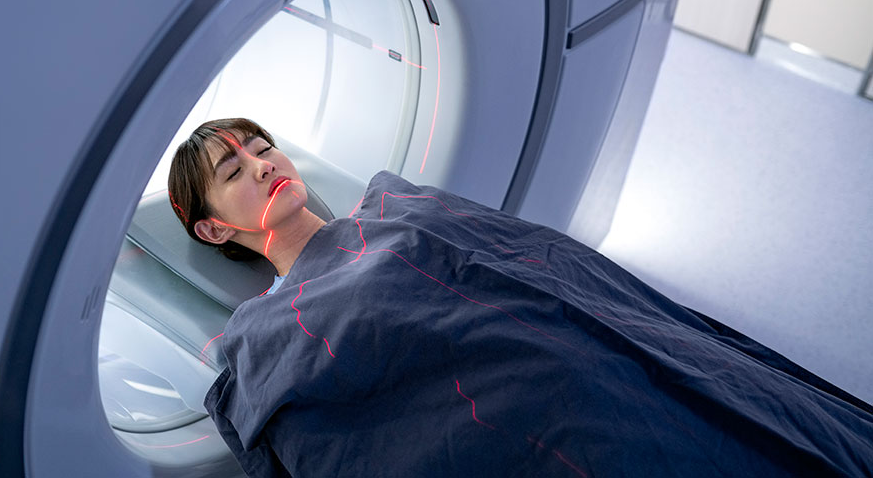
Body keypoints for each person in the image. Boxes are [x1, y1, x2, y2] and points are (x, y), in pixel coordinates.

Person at [168, 117, 873, 478]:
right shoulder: (269, 333)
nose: (264, 163)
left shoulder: (398, 207)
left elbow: (543, 259)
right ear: (213, 226)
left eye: (263, 146)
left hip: (582, 338)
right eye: (235, 168)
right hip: (528, 414)